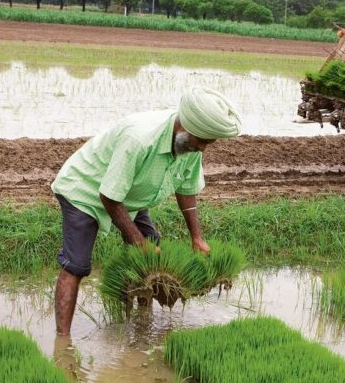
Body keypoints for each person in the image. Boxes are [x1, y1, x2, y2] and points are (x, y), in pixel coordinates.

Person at [51, 86, 241, 335]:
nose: (204, 148)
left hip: (129, 194)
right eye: (203, 141)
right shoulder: (140, 139)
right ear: (186, 129)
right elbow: (108, 196)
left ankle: (143, 322)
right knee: (76, 265)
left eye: (209, 143)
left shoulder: (189, 144)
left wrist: (196, 237)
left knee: (153, 256)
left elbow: (186, 188)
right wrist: (136, 240)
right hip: (85, 189)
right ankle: (62, 341)